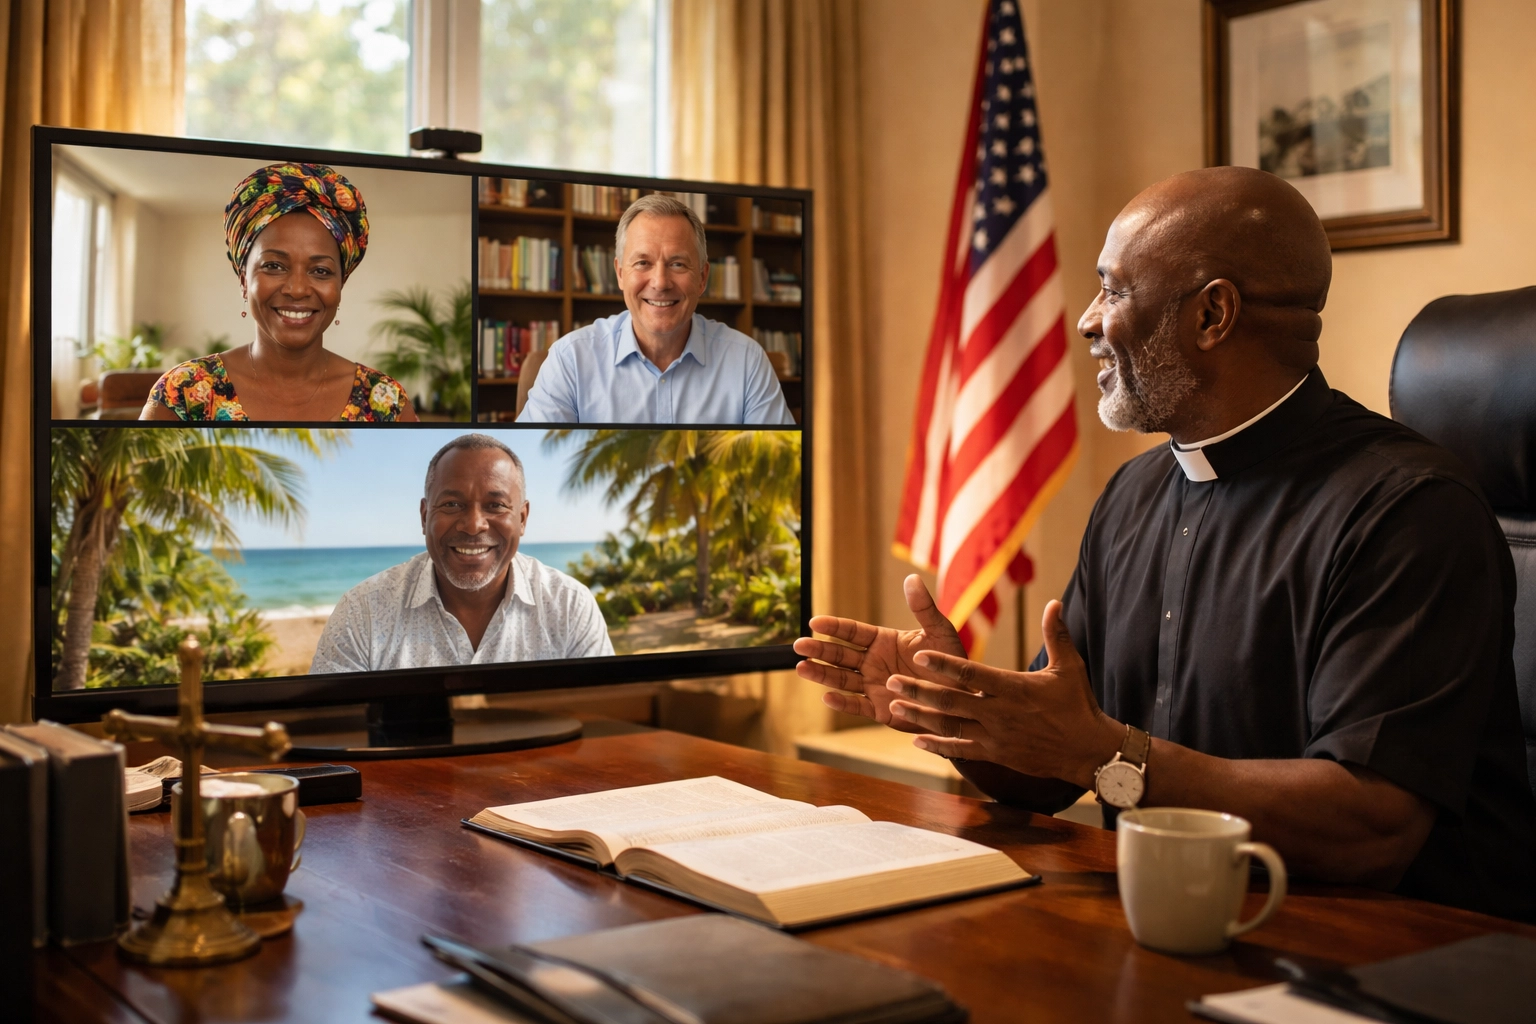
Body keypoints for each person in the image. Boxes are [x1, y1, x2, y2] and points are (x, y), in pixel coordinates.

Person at [794, 167, 1536, 921]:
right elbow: (1060, 764)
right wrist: (964, 713)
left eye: (1113, 290)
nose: (1087, 321)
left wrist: (1102, 754)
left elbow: (1371, 830)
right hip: (1171, 925)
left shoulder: (1407, 511)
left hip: (1397, 955)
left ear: (1212, 314)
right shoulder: (1132, 495)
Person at [310, 434, 612, 673]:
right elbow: (329, 729)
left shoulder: (570, 606)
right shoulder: (363, 613)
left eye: (495, 505)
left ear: (522, 519)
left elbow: (603, 721)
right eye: (452, 505)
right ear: (424, 515)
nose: (473, 525)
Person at [143, 162, 418, 422]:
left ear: (340, 285)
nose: (297, 289)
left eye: (320, 271)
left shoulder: (385, 402)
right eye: (274, 266)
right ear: (243, 280)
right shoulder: (183, 393)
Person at [517, 193, 795, 424]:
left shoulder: (747, 362)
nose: (660, 283)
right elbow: (535, 466)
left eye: (677, 264)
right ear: (620, 273)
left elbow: (779, 477)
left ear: (701, 278)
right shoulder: (571, 361)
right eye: (643, 263)